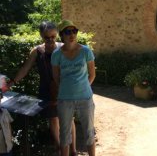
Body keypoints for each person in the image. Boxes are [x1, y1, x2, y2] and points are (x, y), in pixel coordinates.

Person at [7, 21, 77, 155]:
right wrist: (12, 82)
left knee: (69, 119)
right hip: (46, 90)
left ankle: (73, 150)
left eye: (53, 36)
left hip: (65, 89)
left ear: (57, 34)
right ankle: (60, 148)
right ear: (41, 36)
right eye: (47, 37)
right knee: (53, 119)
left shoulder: (64, 47)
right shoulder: (37, 51)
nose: (50, 39)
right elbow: (25, 69)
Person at [51, 20, 96, 156]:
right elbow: (56, 77)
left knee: (89, 132)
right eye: (68, 32)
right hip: (65, 99)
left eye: (74, 31)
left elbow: (92, 74)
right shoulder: (56, 54)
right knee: (64, 134)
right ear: (62, 35)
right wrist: (67, 89)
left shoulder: (86, 51)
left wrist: (82, 87)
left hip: (85, 98)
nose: (72, 34)